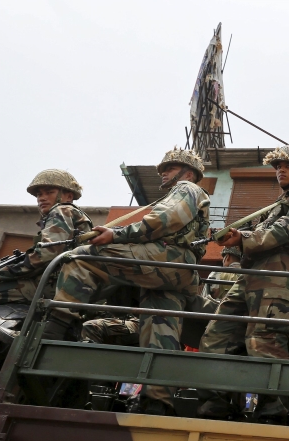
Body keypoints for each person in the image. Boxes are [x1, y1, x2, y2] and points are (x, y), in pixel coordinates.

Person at [45, 148, 210, 415]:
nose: (163, 173)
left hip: (170, 259)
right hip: (178, 270)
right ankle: (156, 401)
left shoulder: (186, 188)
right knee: (159, 330)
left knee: (82, 257)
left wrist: (117, 235)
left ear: (188, 173)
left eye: (169, 168)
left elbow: (164, 220)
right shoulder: (188, 193)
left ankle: (54, 330)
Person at [198, 144, 289, 424]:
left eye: (287, 166)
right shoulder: (276, 205)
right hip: (251, 277)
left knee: (266, 342)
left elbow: (288, 229)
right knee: (216, 336)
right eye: (277, 166)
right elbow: (262, 233)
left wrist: (244, 237)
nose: (280, 170)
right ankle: (215, 407)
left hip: (279, 277)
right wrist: (236, 238)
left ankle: (271, 412)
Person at [0, 170, 94, 332]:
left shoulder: (62, 210)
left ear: (68, 196)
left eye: (50, 192)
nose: (42, 198)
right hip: (63, 287)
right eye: (39, 194)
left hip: (50, 287)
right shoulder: (76, 217)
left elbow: (46, 254)